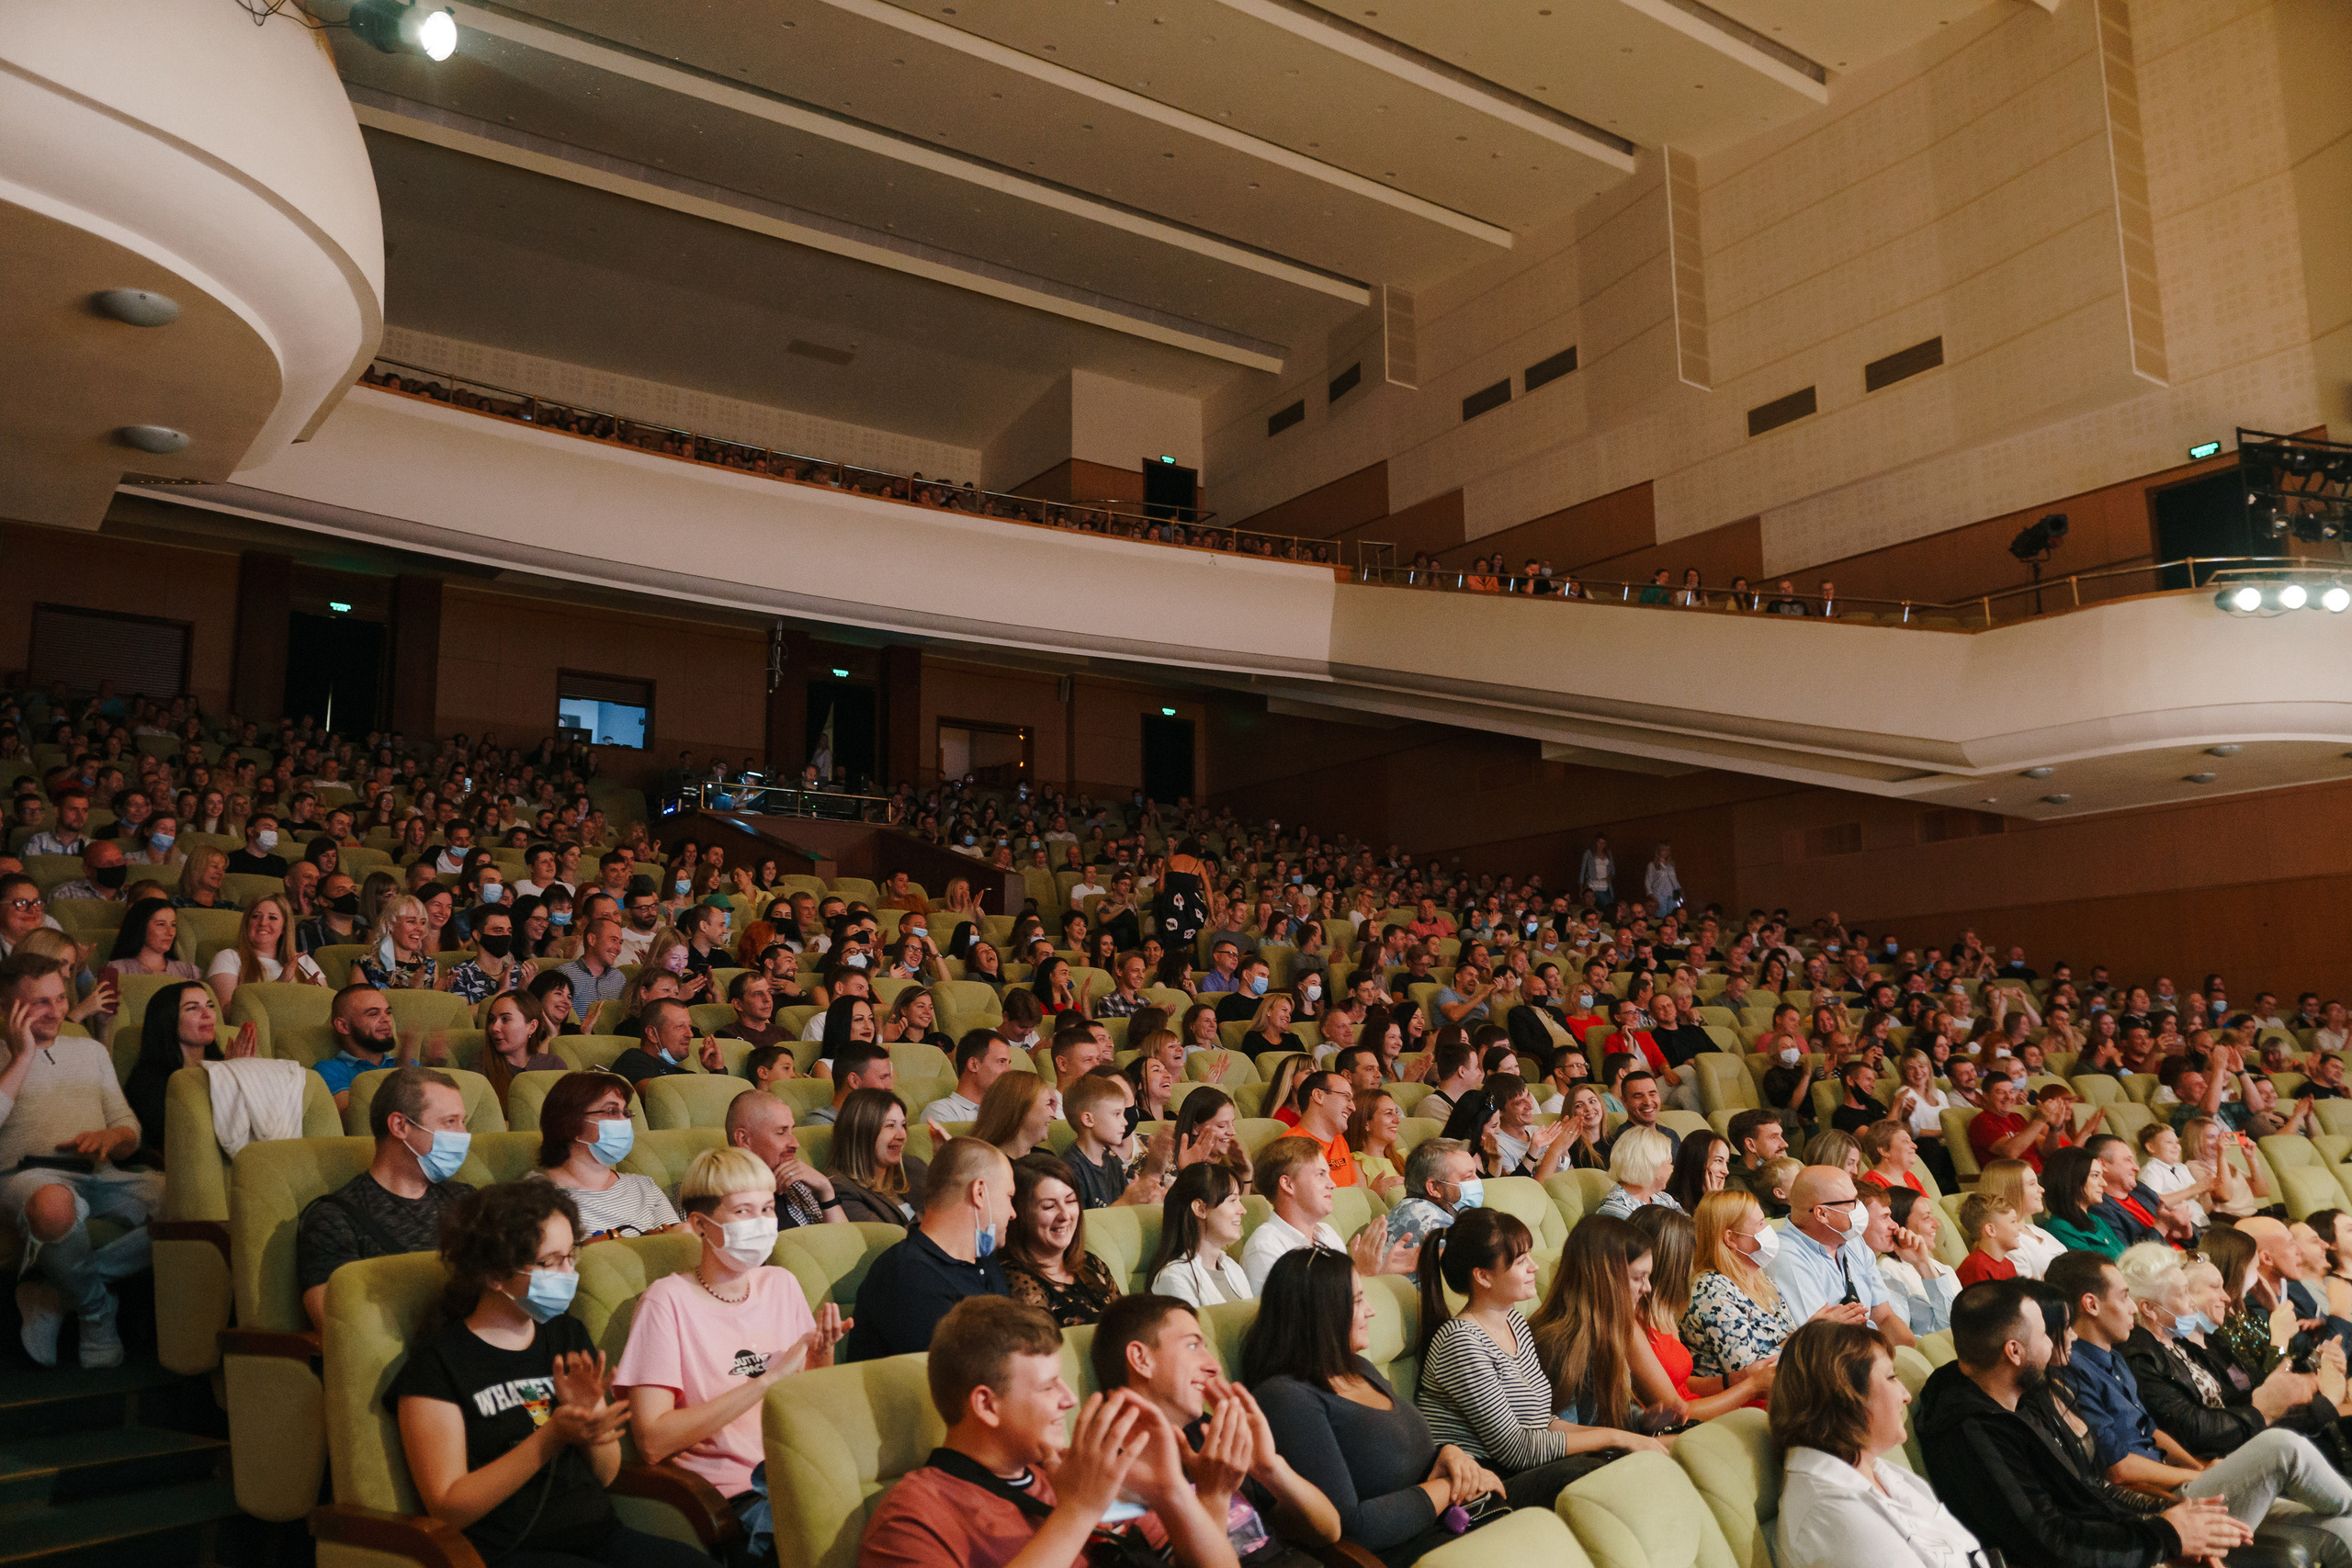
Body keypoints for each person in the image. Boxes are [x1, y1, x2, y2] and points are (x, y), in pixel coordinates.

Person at [390, 1179, 712, 1568]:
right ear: (495, 1273)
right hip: (509, 1552)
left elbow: (606, 1476)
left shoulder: (565, 1334)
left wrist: (593, 1417)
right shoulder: (438, 1364)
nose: (567, 1272)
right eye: (549, 1262)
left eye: (571, 1256)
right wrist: (552, 1436)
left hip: (600, 1537)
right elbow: (448, 1507)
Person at [857, 1296, 1241, 1568]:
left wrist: (1171, 1490)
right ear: (987, 1405)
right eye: (1047, 1387)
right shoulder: (914, 1517)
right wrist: (1077, 1513)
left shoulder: (1069, 1475)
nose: (1070, 1399)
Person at [1915, 1276, 2254, 1568]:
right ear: (2014, 1352)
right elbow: (2050, 1540)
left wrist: (2175, 1515)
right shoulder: (1974, 1432)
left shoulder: (2016, 1395)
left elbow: (2090, 1492)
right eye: (2046, 1336)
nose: (2063, 1341)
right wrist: (2165, 1536)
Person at [613, 1146, 847, 1562]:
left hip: (799, 1471)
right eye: (743, 1212)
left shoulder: (781, 1283)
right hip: (735, 1496)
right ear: (700, 1225)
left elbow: (809, 1399)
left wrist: (821, 1355)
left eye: (767, 1209)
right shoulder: (666, 1302)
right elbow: (652, 1440)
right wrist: (768, 1380)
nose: (761, 1224)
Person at [2049, 1247, 2352, 1552]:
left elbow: (2151, 1430)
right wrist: (2196, 1473)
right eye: (2124, 1297)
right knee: (2282, 1446)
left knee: (2344, 1531)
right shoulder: (2074, 1371)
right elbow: (2119, 1468)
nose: (2132, 1309)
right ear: (2091, 1304)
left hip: (2184, 1478)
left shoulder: (2113, 1358)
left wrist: (2199, 1466)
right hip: (2157, 1499)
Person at [1244, 1247, 1503, 1567]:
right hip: (1407, 1549)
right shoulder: (1286, 1397)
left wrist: (1449, 1454)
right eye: (1356, 1301)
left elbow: (1406, 1454)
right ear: (1321, 1313)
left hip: (1454, 1519)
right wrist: (1449, 1487)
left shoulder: (1360, 1367)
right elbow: (1351, 1526)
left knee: (1568, 1479)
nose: (1370, 1311)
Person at [1417, 1209, 1663, 1508]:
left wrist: (1629, 1438)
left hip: (1521, 1471)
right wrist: (1617, 1439)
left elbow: (1542, 1422)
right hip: (1482, 1486)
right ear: (1483, 1276)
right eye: (1521, 1262)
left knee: (1623, 1459)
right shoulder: (1461, 1341)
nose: (1534, 1267)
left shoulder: (1516, 1324)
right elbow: (1515, 1450)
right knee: (1595, 1470)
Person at [1089, 1294, 1344, 1567]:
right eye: (1192, 1345)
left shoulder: (1206, 1430)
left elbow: (1327, 1532)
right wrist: (1213, 1497)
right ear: (1141, 1359)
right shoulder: (1112, 1470)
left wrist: (1270, 1468)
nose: (1214, 1365)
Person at [0, 951, 164, 1366]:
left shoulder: (90, 1050)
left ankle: (56, 1289)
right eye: (40, 1002)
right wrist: (21, 1055)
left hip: (103, 1172)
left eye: (60, 998)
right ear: (6, 1007)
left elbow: (129, 1127)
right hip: (26, 1175)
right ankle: (95, 1312)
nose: (56, 1012)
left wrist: (114, 1137)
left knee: (193, 1202)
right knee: (53, 1206)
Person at [1770, 1319, 1984, 1568]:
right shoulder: (1833, 1514)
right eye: (1891, 1377)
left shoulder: (1879, 1471)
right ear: (1847, 1396)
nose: (1906, 1395)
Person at [295, 1064, 473, 1331]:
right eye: (450, 1122)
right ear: (400, 1125)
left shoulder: (467, 1200)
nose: (463, 1135)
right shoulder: (334, 1218)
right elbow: (341, 1331)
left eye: (463, 1122)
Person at [840, 1136, 1014, 1362]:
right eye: (1009, 1196)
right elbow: (955, 1374)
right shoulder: (906, 1274)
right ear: (979, 1192)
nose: (1013, 1212)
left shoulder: (984, 1260)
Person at [1624, 1205, 1777, 1419]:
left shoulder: (1662, 1310)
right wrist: (1752, 1386)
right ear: (1673, 1265)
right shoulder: (1629, 1324)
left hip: (1699, 1408)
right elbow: (1675, 1413)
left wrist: (1738, 1378)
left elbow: (1680, 1381)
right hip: (1687, 1424)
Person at [1765, 1166, 1918, 1348]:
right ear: (1822, 1214)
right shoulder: (1786, 1256)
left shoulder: (1853, 1241)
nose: (1859, 1208)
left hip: (1871, 1353)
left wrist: (1911, 1357)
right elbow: (1823, 1341)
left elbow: (1884, 1317)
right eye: (1852, 1202)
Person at [1240, 1137, 1409, 1293]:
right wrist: (1362, 1275)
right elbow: (1294, 1320)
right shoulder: (1265, 1248)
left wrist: (1382, 1272)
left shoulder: (1327, 1234)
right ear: (1288, 1184)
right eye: (1320, 1174)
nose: (1332, 1184)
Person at [123, 977, 254, 1164]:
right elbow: (183, 1138)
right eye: (193, 1008)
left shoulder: (223, 1063)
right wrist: (226, 1082)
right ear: (167, 1019)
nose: (207, 1014)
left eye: (209, 1005)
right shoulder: (148, 1079)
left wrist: (243, 1074)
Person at [532, 1071, 678, 1236]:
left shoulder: (645, 1187)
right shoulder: (536, 1197)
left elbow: (680, 1248)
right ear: (571, 1124)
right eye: (611, 1111)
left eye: (626, 1112)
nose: (624, 1122)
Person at [997, 1151, 1121, 1326]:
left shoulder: (1092, 1264)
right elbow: (1043, 1348)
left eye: (1070, 1201)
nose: (1065, 1215)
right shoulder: (1016, 1279)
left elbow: (1129, 1327)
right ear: (1020, 1214)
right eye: (1049, 1206)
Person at [723, 1089, 847, 1231]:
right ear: (744, 1139)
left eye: (791, 1131)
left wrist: (826, 1191)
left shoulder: (794, 1184)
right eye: (781, 1132)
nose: (795, 1143)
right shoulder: (718, 1195)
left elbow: (844, 1247)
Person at [1147, 1161, 1254, 1309]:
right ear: (1200, 1209)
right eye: (1232, 1201)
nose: (1242, 1210)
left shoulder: (1232, 1268)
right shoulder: (1174, 1277)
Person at [823, 1088, 926, 1226]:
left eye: (903, 1125)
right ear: (861, 1132)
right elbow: (887, 1242)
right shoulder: (842, 1190)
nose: (902, 1135)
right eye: (890, 1126)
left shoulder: (914, 1167)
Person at [1977, 1158, 2068, 1278]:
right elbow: (2028, 1291)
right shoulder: (2007, 1242)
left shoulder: (2036, 1230)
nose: (2042, 1189)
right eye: (2032, 1184)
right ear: (2010, 1191)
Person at [2039, 1145, 2126, 1258]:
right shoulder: (2061, 1228)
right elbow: (2094, 1272)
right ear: (2071, 1180)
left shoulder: (2096, 1220)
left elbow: (2125, 1258)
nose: (2104, 1183)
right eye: (2095, 1175)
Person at [1594, 1124, 1679, 1220]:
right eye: (1669, 1163)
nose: (1672, 1169)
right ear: (1652, 1167)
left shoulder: (1663, 1198)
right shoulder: (1616, 1211)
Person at [805, 1038, 894, 1127]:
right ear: (854, 1081)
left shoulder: (886, 1121)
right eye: (883, 1077)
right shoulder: (820, 1124)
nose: (891, 1087)